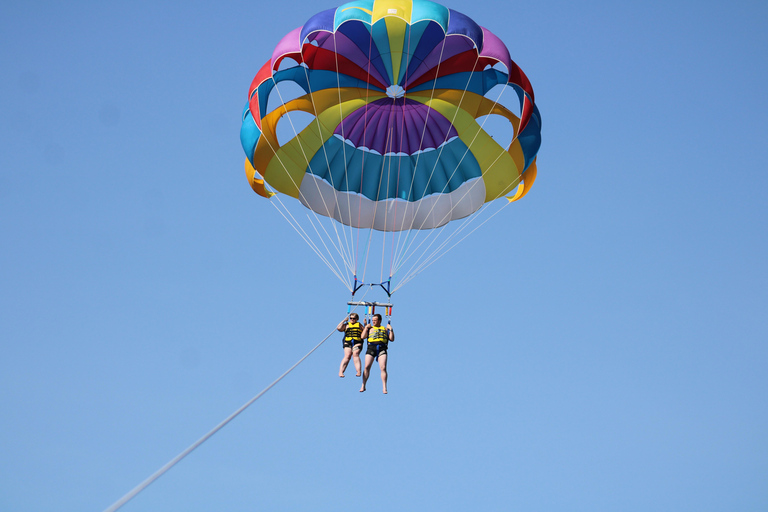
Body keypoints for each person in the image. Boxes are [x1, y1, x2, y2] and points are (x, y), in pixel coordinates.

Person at [359, 314, 394, 394]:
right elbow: (363, 337)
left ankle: (384, 387)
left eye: (375, 320)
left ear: (379, 321)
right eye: (373, 320)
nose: (373, 322)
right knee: (367, 366)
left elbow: (391, 339)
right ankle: (363, 385)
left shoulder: (385, 329)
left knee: (383, 367)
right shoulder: (370, 328)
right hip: (371, 347)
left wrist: (391, 329)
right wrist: (366, 328)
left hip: (382, 348)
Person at [337, 313, 363, 378]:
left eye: (353, 318)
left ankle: (358, 371)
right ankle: (341, 371)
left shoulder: (359, 325)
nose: (352, 320)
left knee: (355, 354)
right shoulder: (346, 325)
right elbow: (339, 328)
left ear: (357, 319)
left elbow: (366, 332)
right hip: (348, 342)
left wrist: (366, 324)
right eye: (351, 318)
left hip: (357, 341)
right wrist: (344, 320)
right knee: (347, 355)